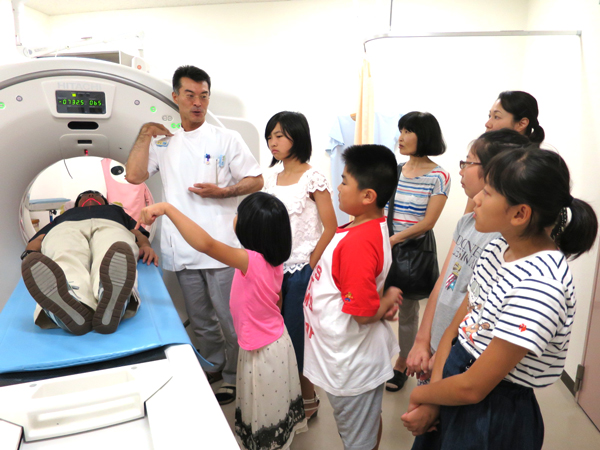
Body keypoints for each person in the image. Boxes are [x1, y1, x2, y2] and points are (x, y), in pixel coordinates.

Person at [402, 148, 598, 449]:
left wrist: (420, 395)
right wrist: (436, 397)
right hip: (452, 384)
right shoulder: (498, 249)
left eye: (488, 193)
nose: (476, 199)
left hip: (492, 412)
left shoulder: (541, 285)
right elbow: (457, 330)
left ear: (520, 213)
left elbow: (474, 388)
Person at [125, 65, 263, 404]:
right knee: (201, 319)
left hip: (220, 248)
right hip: (181, 248)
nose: (197, 102)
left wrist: (222, 191)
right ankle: (215, 364)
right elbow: (133, 175)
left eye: (203, 96)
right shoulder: (163, 142)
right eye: (190, 95)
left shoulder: (225, 138)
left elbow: (256, 180)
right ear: (176, 97)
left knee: (230, 318)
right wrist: (144, 134)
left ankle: (235, 375)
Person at [137, 192, 307, 450]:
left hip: (262, 351)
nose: (235, 217)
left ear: (250, 228)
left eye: (239, 214)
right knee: (272, 403)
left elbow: (206, 244)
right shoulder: (273, 260)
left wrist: (168, 209)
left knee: (263, 408)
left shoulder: (250, 260)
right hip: (276, 342)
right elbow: (277, 302)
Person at [405, 129, 532, 383]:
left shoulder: (505, 241)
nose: (460, 170)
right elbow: (443, 281)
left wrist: (444, 357)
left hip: (464, 356)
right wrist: (422, 339)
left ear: (496, 171)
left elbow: (479, 309)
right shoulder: (467, 222)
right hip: (438, 346)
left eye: (468, 162)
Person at [303, 144, 402, 450]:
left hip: (350, 364)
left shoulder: (359, 243)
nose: (338, 186)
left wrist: (385, 302)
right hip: (345, 355)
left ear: (367, 196)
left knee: (358, 438)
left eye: (345, 181)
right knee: (365, 425)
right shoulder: (358, 228)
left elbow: (360, 312)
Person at [262, 111, 337, 419]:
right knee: (274, 336)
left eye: (280, 135)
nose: (273, 142)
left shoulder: (313, 177)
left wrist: (312, 263)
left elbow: (331, 226)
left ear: (297, 136)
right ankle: (285, 392)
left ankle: (307, 395)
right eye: (270, 136)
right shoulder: (269, 177)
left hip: (301, 270)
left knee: (297, 335)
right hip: (270, 269)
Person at [21, 190, 157, 335]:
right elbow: (40, 238)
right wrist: (30, 254)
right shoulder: (63, 216)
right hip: (67, 228)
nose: (90, 196)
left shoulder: (116, 211)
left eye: (95, 194)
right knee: (63, 254)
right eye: (84, 195)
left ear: (105, 201)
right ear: (76, 203)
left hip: (111, 226)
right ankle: (72, 302)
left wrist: (145, 246)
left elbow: (137, 232)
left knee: (115, 248)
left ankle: (108, 296)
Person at [385, 111, 450, 393]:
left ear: (424, 136)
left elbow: (428, 222)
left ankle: (401, 361)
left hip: (411, 251)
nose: (400, 137)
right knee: (377, 303)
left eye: (408, 131)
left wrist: (394, 239)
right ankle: (377, 357)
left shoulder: (439, 176)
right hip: (384, 245)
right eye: (400, 130)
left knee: (408, 309)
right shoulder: (396, 170)